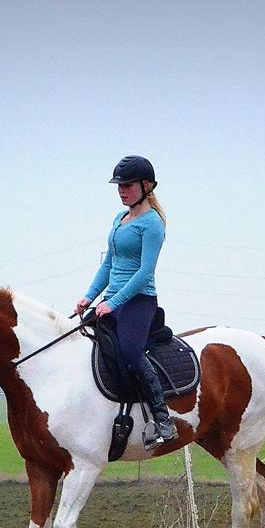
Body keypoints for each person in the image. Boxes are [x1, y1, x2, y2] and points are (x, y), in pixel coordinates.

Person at [76, 155, 178, 444]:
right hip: (113, 300)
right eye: (119, 185)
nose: (122, 190)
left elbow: (145, 272)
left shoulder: (153, 224)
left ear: (146, 186)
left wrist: (113, 302)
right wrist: (89, 297)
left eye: (128, 185)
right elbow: (109, 264)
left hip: (139, 302)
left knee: (132, 354)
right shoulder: (120, 219)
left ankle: (162, 420)